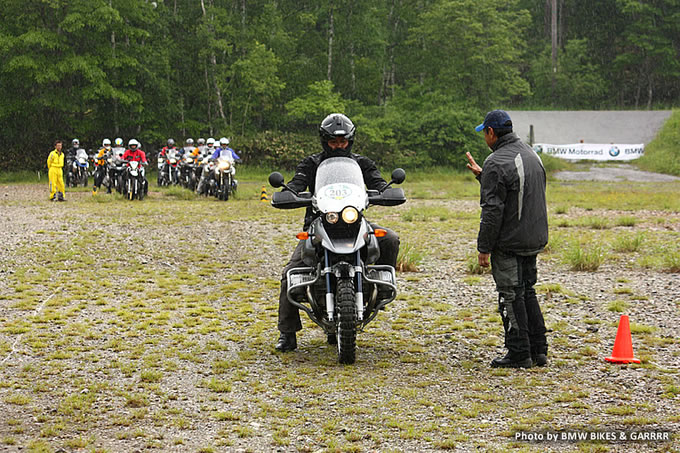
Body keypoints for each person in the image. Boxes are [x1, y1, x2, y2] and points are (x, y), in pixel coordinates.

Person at [274, 113, 400, 352]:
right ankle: (287, 333)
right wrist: (288, 192)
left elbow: (377, 182)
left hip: (354, 221)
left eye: (342, 141)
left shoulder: (361, 164)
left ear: (350, 141)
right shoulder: (312, 164)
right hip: (320, 222)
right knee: (290, 273)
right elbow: (297, 183)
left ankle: (379, 287)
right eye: (333, 141)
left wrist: (386, 190)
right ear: (325, 140)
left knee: (390, 239)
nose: (338, 145)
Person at [466, 109, 549, 368]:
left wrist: (484, 248)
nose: (485, 138)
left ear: (491, 132)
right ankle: (539, 350)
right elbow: (516, 191)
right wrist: (483, 176)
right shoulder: (530, 153)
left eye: (485, 133)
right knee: (527, 291)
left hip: (509, 242)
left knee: (510, 295)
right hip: (533, 238)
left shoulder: (496, 162)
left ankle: (519, 352)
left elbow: (492, 210)